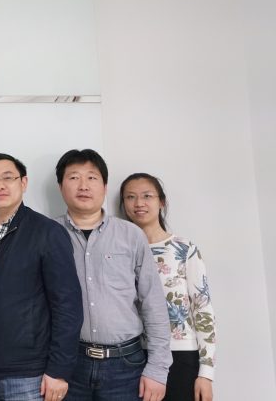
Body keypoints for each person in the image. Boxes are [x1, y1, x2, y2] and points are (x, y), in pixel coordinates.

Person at [0, 153, 83, 401]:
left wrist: (58, 371)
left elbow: (67, 306)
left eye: (8, 178)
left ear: (23, 182)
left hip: (30, 375)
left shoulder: (47, 232)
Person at [53, 149, 171, 401]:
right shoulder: (48, 234)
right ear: (61, 186)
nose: (83, 185)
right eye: (73, 177)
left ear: (105, 187)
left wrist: (158, 369)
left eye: (92, 178)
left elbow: (153, 303)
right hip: (68, 364)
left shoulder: (131, 234)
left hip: (126, 365)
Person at [120, 173, 216, 401]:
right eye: (130, 197)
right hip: (133, 356)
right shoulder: (120, 252)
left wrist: (206, 373)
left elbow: (203, 310)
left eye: (147, 196)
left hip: (180, 355)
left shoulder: (183, 249)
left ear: (161, 202)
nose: (139, 203)